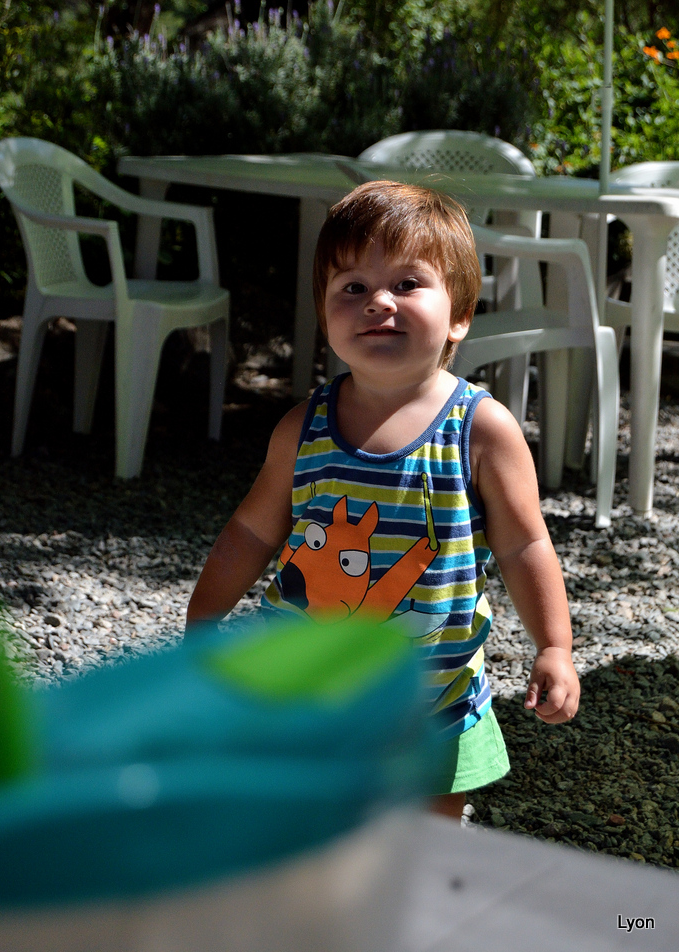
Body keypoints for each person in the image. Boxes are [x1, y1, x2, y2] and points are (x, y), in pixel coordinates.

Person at [186, 180, 580, 818]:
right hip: (306, 690)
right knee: (305, 828)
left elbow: (524, 544)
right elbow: (251, 533)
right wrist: (203, 621)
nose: (378, 301)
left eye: (407, 283)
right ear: (325, 317)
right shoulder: (303, 428)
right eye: (353, 287)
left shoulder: (480, 430)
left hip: (431, 697)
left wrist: (555, 646)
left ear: (459, 315)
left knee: (426, 841)